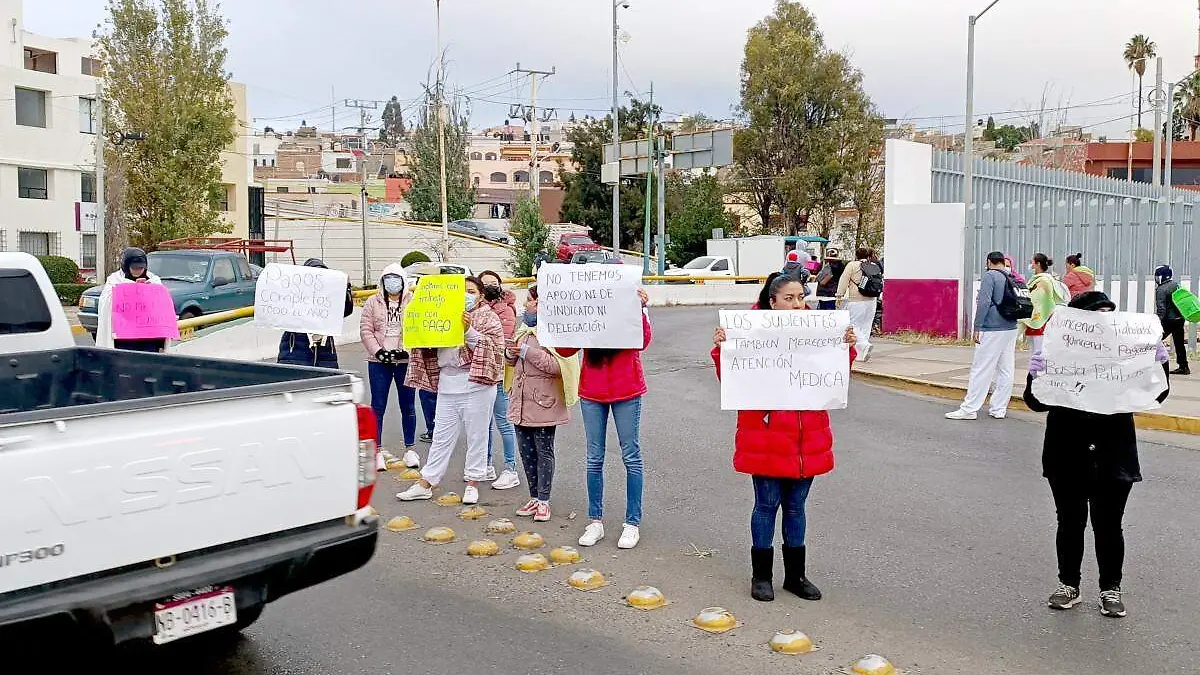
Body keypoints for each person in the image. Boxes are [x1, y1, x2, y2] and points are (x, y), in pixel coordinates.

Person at [1025, 290, 1171, 618]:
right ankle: (1068, 584)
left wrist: (1159, 365)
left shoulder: (1125, 358)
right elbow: (1035, 402)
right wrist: (1036, 374)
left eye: (1109, 315)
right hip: (1067, 451)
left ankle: (1110, 588)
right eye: (1097, 316)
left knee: (1109, 525)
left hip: (1113, 453)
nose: (1104, 322)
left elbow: (1156, 396)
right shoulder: (1057, 352)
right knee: (1070, 522)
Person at [711, 274, 857, 602]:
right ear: (772, 302)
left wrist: (845, 348)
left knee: (795, 508)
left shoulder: (817, 332)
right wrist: (723, 349)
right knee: (766, 506)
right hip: (767, 439)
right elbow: (731, 380)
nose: (797, 304)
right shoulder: (749, 333)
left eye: (800, 297)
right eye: (789, 298)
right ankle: (761, 576)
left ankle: (795, 576)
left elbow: (835, 376)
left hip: (808, 440)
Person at [397, 277, 505, 506]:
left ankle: (473, 482)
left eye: (471, 291)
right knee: (441, 436)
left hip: (477, 384)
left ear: (481, 296)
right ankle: (427, 481)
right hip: (448, 384)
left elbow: (494, 350)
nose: (466, 295)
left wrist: (468, 330)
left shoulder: (488, 317)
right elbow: (426, 342)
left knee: (477, 435)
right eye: (462, 291)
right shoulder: (441, 313)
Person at [558, 288, 652, 550]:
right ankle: (595, 521)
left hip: (627, 389)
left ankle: (632, 522)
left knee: (631, 455)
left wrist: (641, 308)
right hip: (592, 391)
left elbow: (643, 341)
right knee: (594, 457)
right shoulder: (589, 312)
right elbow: (564, 349)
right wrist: (560, 317)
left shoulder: (628, 308)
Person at [504, 284, 580, 522]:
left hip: (545, 403)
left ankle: (544, 501)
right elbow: (511, 363)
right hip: (521, 402)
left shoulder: (557, 331)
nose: (529, 305)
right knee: (526, 452)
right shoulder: (524, 329)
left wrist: (527, 352)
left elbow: (559, 366)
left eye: (534, 301)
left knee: (543, 451)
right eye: (529, 300)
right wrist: (510, 353)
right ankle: (534, 497)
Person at [361, 263, 421, 472]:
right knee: (378, 406)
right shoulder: (372, 302)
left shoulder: (413, 301)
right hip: (379, 362)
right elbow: (366, 330)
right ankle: (376, 450)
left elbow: (419, 328)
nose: (392, 283)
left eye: (396, 278)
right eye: (388, 278)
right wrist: (378, 351)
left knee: (408, 406)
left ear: (403, 281)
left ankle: (410, 448)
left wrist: (407, 351)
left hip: (405, 361)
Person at [946, 251, 1019, 421]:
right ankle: (999, 408)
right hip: (1011, 327)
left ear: (989, 262)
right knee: (1006, 369)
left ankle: (969, 409)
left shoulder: (990, 276)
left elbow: (984, 302)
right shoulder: (1012, 277)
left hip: (993, 328)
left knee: (981, 368)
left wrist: (977, 326)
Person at [478, 270, 521, 490]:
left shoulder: (506, 310)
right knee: (483, 422)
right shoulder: (474, 309)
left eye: (494, 283)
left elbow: (500, 342)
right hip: (478, 373)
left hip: (499, 372)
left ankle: (510, 468)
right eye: (485, 284)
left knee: (503, 421)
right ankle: (485, 464)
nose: (490, 287)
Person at [277, 258, 354, 369]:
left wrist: (346, 289)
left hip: (324, 353)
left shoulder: (328, 300)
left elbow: (346, 311)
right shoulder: (294, 297)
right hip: (295, 352)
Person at [96, 247, 167, 353]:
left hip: (148, 336)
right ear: (126, 266)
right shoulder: (115, 280)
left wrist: (148, 289)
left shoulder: (154, 280)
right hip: (125, 337)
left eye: (141, 267)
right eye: (134, 268)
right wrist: (130, 290)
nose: (138, 270)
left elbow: (161, 306)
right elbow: (107, 302)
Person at [836, 248, 881, 362]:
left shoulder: (852, 265)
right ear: (868, 256)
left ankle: (864, 345)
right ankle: (861, 354)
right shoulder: (873, 266)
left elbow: (844, 280)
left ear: (856, 255)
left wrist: (839, 295)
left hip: (856, 300)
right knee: (866, 325)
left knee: (853, 324)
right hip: (872, 300)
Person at [1020, 253, 1068, 354]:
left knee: (1038, 350)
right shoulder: (1038, 279)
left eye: (1032, 262)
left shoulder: (1043, 281)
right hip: (1036, 317)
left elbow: (1038, 299)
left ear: (1038, 264)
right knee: (1034, 350)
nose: (1031, 265)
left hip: (1040, 317)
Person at [1155, 265, 1190, 375]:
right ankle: (1184, 366)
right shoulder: (1176, 285)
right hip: (1179, 318)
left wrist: (1156, 322)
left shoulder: (1161, 290)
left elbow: (1161, 309)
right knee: (1179, 344)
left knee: (1154, 340)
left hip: (1169, 320)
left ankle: (1151, 363)